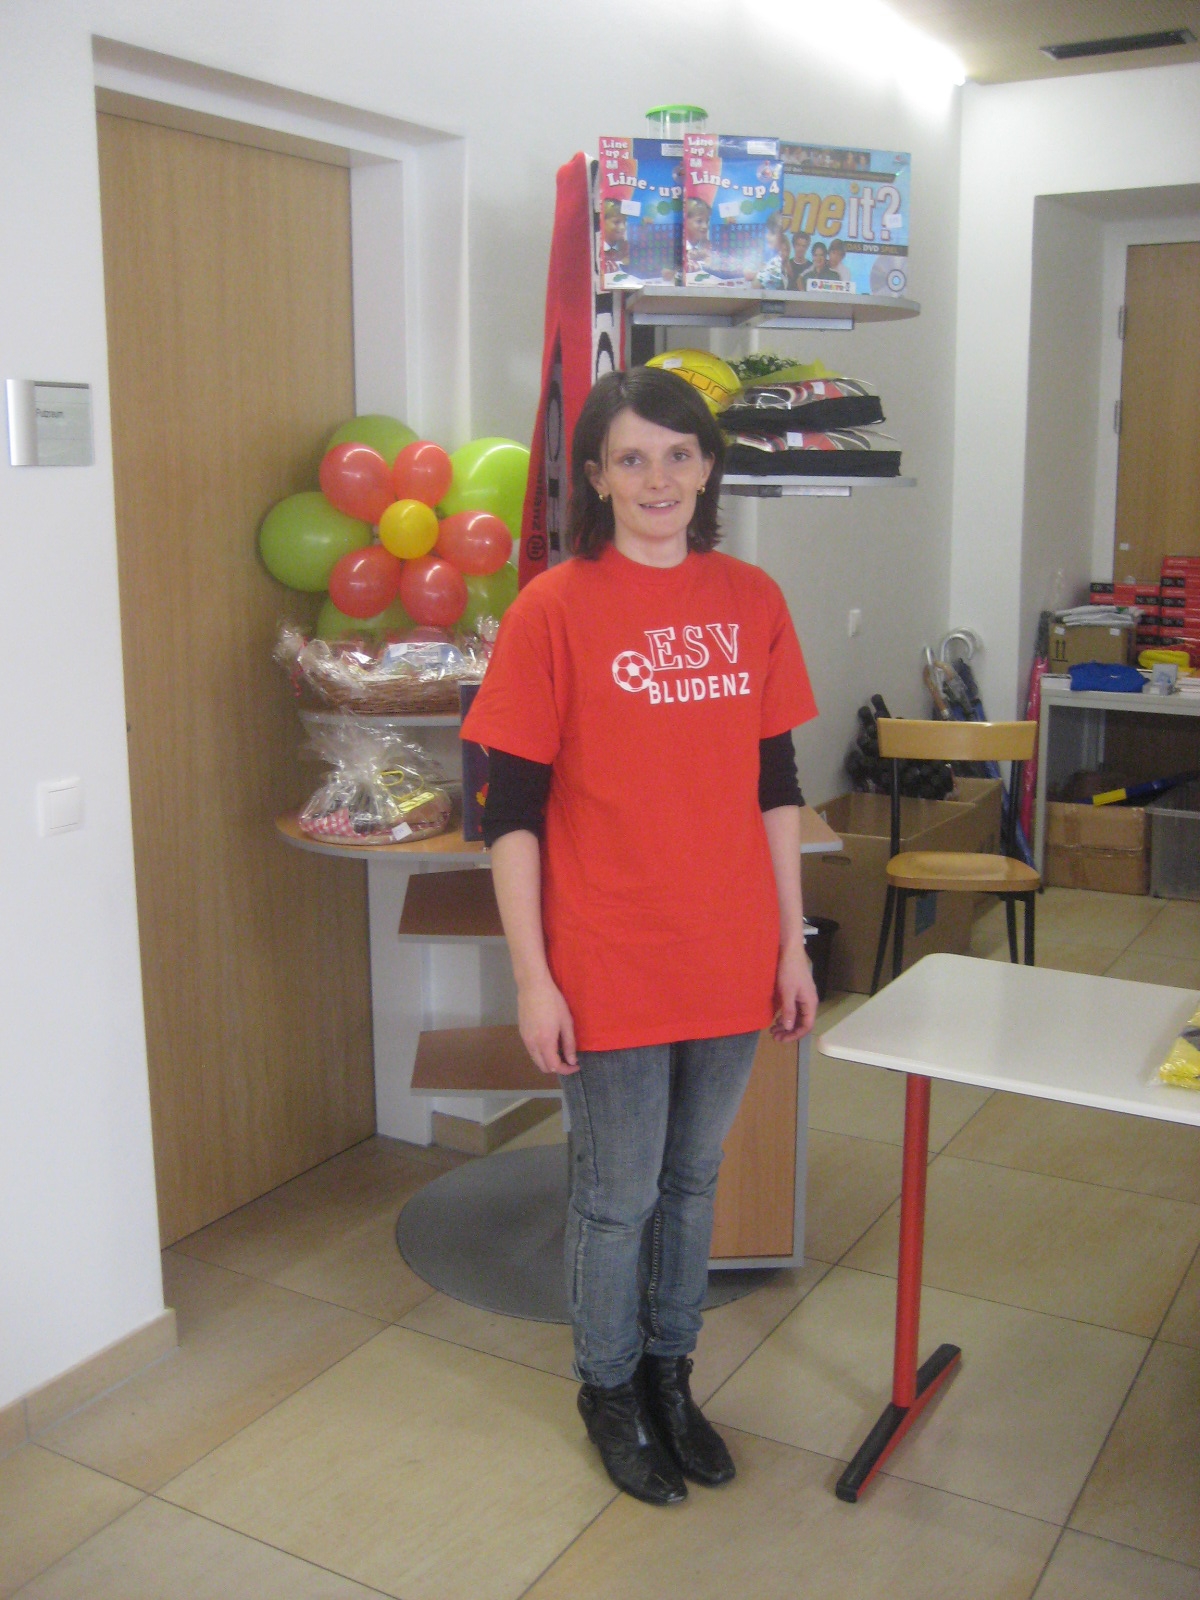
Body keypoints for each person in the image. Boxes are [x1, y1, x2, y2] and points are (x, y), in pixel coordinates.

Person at [461, 366, 818, 1508]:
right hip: (607, 953)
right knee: (617, 1197)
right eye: (632, 458)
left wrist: (793, 943)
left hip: (729, 947)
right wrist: (533, 978)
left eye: (678, 454)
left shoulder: (752, 599)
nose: (657, 478)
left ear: (707, 467)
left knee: (694, 1181)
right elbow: (509, 817)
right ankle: (608, 1389)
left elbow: (777, 787)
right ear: (598, 478)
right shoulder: (553, 609)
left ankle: (672, 1375)